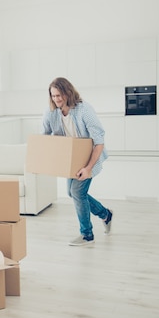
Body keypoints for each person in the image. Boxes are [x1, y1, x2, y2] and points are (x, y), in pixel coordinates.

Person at [42, 77, 113, 246]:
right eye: (53, 96)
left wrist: (88, 168)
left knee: (78, 192)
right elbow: (45, 137)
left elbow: (99, 142)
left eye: (59, 95)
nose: (56, 99)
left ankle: (87, 235)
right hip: (70, 158)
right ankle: (106, 214)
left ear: (68, 92)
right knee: (72, 193)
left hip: (89, 156)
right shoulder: (51, 112)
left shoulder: (84, 110)